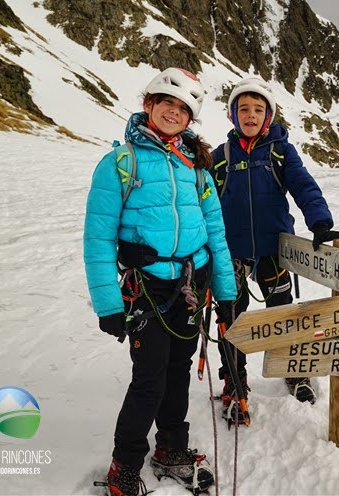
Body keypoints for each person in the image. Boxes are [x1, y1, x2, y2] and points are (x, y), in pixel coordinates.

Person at [84, 68, 238, 496]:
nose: (173, 111)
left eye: (183, 108)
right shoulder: (120, 163)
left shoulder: (198, 169)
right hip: (146, 289)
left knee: (178, 371)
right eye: (165, 102)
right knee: (149, 379)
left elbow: (215, 234)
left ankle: (171, 449)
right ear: (147, 104)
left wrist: (226, 292)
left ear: (191, 119)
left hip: (190, 287)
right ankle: (125, 466)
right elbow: (97, 236)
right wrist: (108, 303)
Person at [210, 75, 339, 418]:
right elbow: (203, 203)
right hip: (233, 254)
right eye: (244, 108)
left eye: (259, 109)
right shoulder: (220, 156)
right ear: (233, 115)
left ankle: (295, 371)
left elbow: (304, 186)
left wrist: (319, 222)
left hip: (276, 252)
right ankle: (234, 381)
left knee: (282, 314)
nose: (251, 115)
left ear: (268, 116)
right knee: (232, 318)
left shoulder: (281, 151)